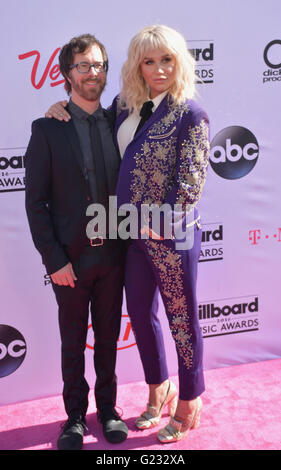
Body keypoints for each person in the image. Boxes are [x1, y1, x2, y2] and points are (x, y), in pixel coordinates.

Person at [47, 24, 210, 444]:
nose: (158, 69)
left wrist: (148, 221)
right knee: (139, 314)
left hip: (173, 239)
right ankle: (159, 388)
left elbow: (188, 189)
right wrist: (57, 110)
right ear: (137, 65)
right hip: (130, 238)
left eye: (167, 60)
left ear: (180, 62)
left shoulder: (190, 114)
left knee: (182, 320)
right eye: (149, 61)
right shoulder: (124, 105)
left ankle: (190, 398)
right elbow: (85, 118)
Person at [25, 33, 128, 451]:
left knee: (107, 340)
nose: (93, 73)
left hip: (115, 255)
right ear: (67, 73)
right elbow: (36, 203)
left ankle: (108, 411)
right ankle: (73, 419)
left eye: (99, 65)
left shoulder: (120, 120)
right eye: (83, 65)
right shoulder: (48, 128)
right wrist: (54, 260)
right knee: (72, 343)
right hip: (70, 261)